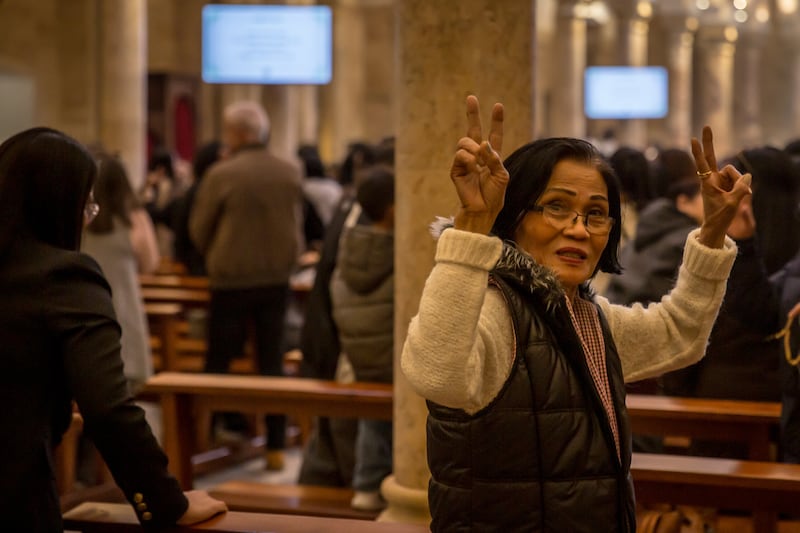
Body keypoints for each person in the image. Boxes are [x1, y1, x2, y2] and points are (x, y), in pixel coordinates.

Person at [400, 95, 751, 532]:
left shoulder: (584, 316)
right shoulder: (496, 307)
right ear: (515, 216)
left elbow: (679, 333)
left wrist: (713, 234)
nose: (579, 228)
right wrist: (472, 224)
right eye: (557, 206)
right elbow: (437, 375)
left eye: (597, 214)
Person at [0, 127, 227, 531]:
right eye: (85, 206)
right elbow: (107, 409)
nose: (86, 220)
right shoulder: (65, 277)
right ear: (58, 204)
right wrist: (165, 503)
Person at [190, 100, 303, 470]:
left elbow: (199, 227)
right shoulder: (289, 170)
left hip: (231, 279)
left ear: (237, 134)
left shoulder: (222, 174)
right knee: (270, 361)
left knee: (218, 361)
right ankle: (274, 446)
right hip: (276, 278)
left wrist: (215, 256)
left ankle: (205, 440)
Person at [330, 167, 395, 510]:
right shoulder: (399, 252)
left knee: (375, 420)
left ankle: (367, 485)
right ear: (394, 209)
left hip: (362, 354)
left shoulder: (350, 245)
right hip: (392, 355)